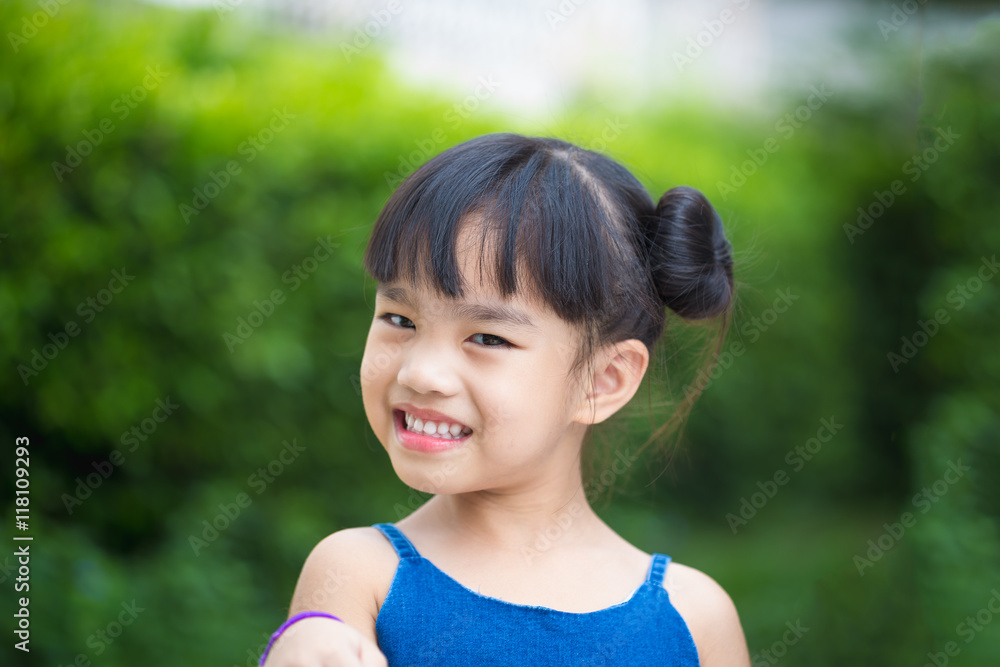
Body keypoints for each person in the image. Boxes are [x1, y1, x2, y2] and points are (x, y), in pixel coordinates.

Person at [260, 133, 751, 666]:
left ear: (602, 380)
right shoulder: (360, 575)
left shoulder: (694, 618)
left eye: (488, 338)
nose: (421, 372)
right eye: (400, 320)